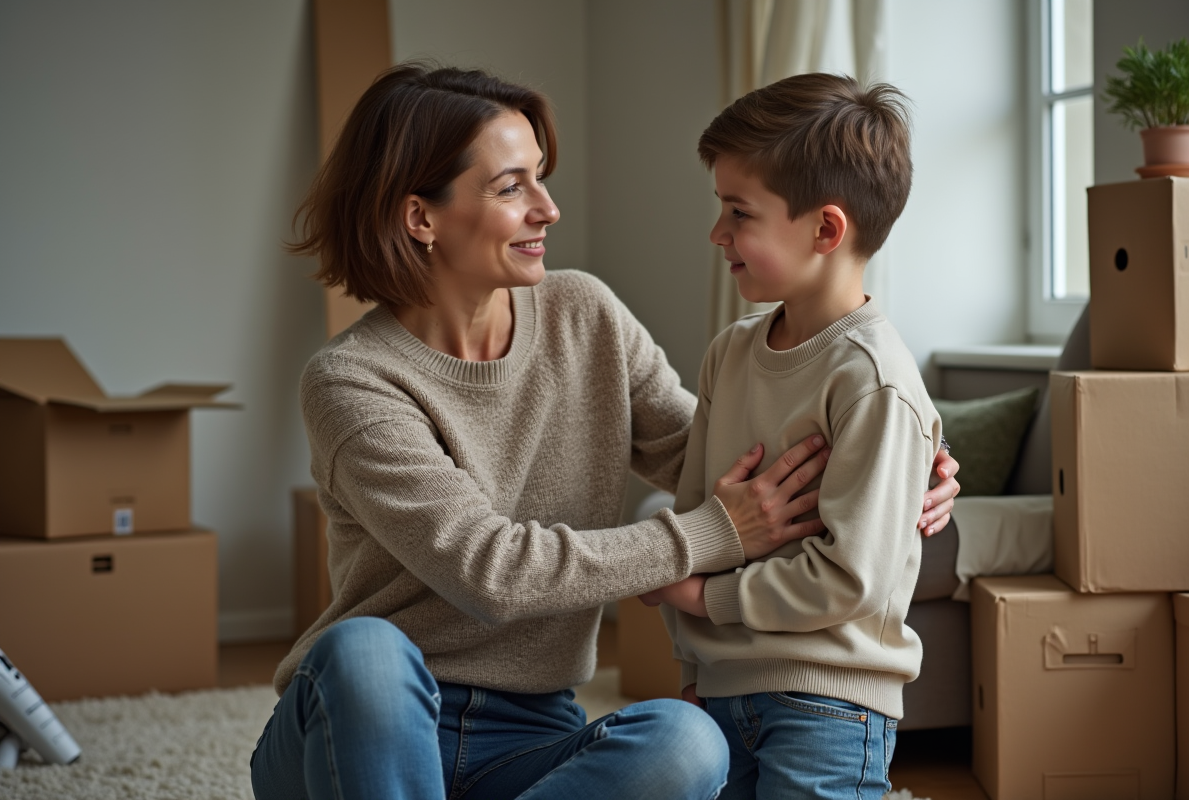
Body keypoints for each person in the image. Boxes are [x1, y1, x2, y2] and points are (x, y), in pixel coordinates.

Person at [249, 62, 959, 800]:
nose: (548, 209)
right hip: (356, 732)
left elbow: (717, 454)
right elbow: (491, 573)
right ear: (420, 217)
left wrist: (902, 461)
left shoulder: (583, 314)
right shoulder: (351, 380)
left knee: (687, 742)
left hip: (527, 736)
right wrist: (712, 534)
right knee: (365, 653)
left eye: (541, 179)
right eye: (512, 187)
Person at [644, 74, 939, 799]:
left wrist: (704, 599)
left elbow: (849, 578)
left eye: (739, 213)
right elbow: (695, 518)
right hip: (720, 695)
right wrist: (693, 666)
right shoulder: (729, 353)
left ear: (825, 230)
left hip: (828, 703)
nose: (717, 233)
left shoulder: (874, 380)